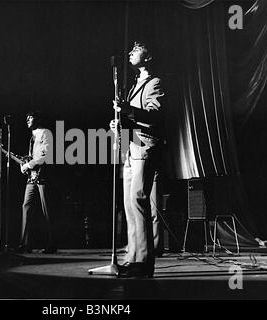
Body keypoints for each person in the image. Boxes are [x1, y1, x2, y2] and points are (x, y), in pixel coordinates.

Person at [110, 40, 165, 277]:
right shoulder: (135, 84)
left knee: (139, 200)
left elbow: (154, 116)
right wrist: (118, 123)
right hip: (131, 146)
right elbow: (132, 119)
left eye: (138, 47)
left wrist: (126, 111)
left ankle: (143, 262)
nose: (132, 51)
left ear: (149, 56)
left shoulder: (155, 83)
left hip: (144, 146)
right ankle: (133, 258)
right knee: (129, 204)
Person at [16, 110, 56, 254]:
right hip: (32, 177)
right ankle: (25, 244)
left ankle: (51, 244)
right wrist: (25, 165)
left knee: (46, 210)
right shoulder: (32, 137)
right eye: (26, 118)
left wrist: (28, 165)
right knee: (26, 206)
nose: (27, 119)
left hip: (43, 174)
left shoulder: (45, 133)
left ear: (38, 119)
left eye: (30, 117)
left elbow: (45, 155)